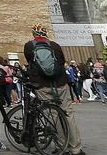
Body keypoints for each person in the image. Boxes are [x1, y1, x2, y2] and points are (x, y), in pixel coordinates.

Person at [23, 26, 83, 155]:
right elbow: (60, 63)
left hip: (42, 85)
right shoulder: (55, 45)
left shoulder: (29, 46)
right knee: (68, 114)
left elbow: (31, 63)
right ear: (46, 34)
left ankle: (61, 147)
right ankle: (76, 148)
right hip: (60, 83)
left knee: (53, 115)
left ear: (34, 34)